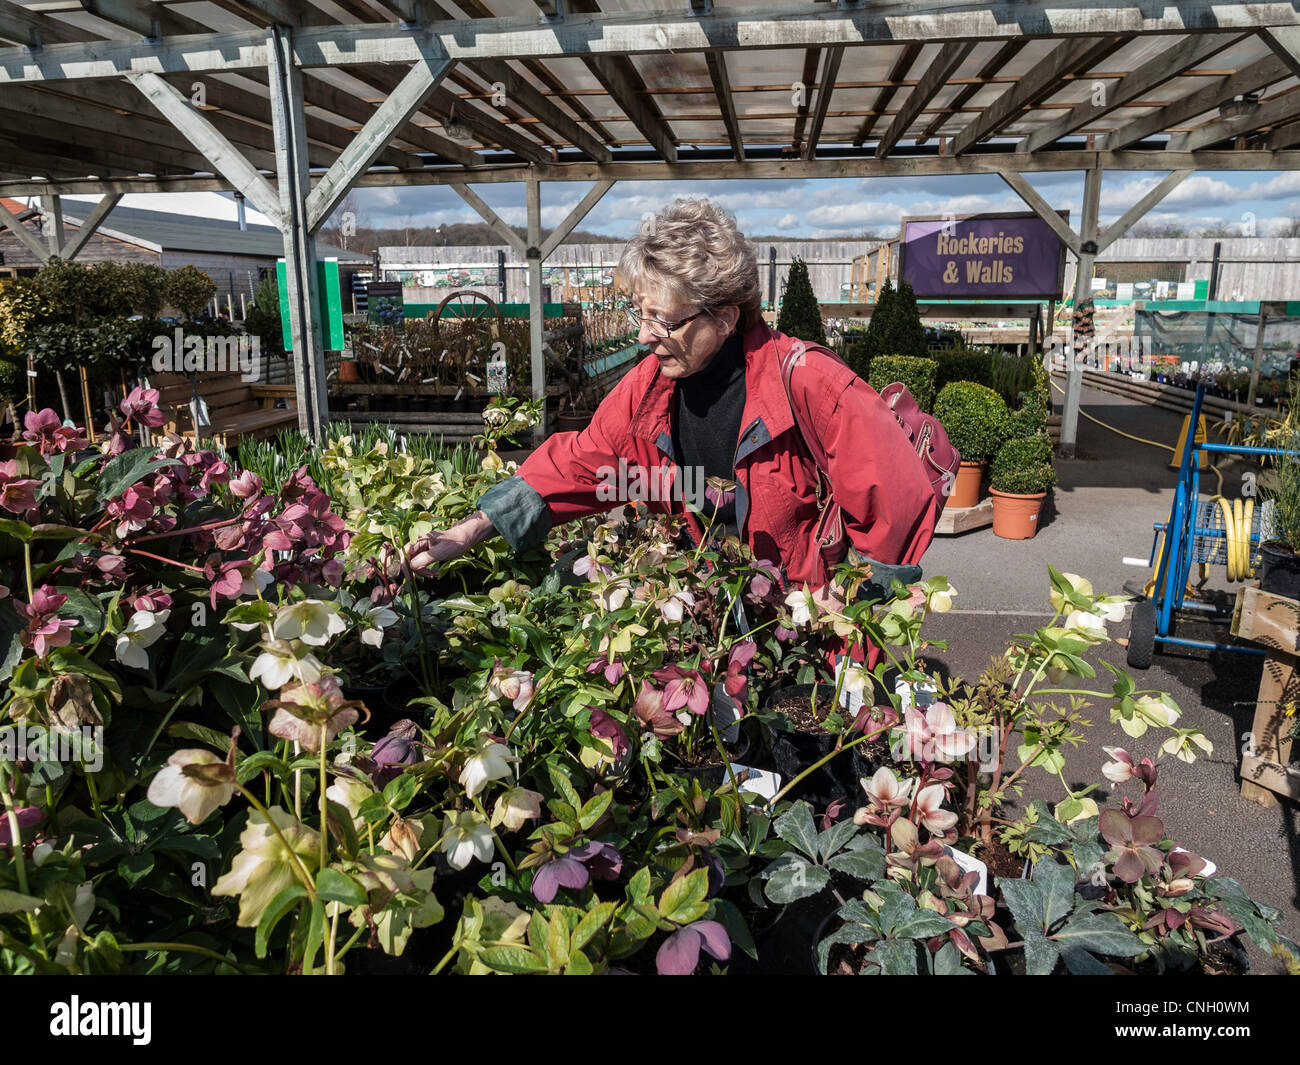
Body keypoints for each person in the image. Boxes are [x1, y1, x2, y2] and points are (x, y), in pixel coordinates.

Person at [417, 198, 939, 650]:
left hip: (810, 631)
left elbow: (893, 497)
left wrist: (853, 600)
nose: (644, 336)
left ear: (726, 318)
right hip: (713, 622)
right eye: (637, 313)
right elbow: (587, 463)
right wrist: (475, 526)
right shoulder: (650, 389)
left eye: (662, 321)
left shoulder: (809, 383)